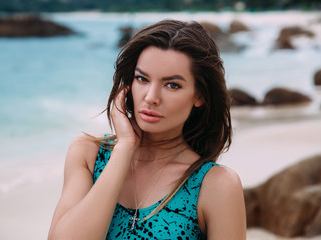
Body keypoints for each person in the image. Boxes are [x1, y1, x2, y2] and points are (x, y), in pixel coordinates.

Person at [48, 19, 246, 240]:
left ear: (199, 95)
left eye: (172, 85)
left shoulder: (215, 184)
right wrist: (125, 148)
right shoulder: (89, 154)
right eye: (142, 79)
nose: (151, 97)